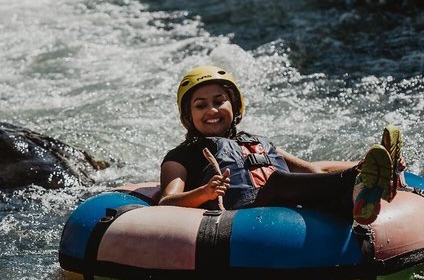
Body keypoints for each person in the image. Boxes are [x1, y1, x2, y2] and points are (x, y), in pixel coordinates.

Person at [159, 65, 406, 225]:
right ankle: (358, 180)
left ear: (234, 106)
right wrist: (205, 192)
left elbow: (313, 171)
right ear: (188, 116)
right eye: (200, 105)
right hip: (243, 217)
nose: (212, 110)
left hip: (290, 211)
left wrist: (375, 162)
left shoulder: (257, 142)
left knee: (331, 199)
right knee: (277, 181)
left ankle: (364, 189)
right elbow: (166, 202)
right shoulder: (182, 155)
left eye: (219, 101)